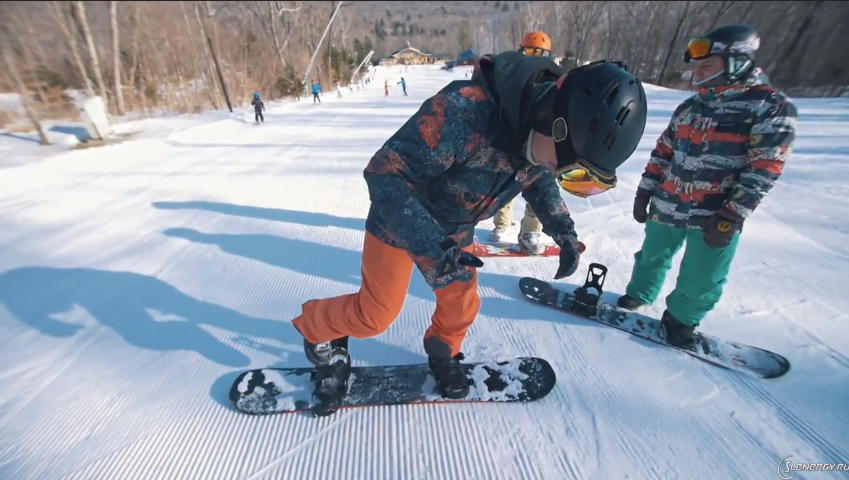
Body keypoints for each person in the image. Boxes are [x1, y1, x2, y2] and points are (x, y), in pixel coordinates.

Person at [291, 51, 647, 409]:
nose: (558, 172)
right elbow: (384, 172)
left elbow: (539, 181)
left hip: (456, 230)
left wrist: (563, 230)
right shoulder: (464, 113)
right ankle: (319, 331)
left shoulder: (542, 145)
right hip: (398, 222)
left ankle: (443, 355)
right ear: (551, 119)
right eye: (564, 166)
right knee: (374, 316)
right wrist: (432, 246)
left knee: (461, 305)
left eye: (575, 176)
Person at [616, 24, 797, 349]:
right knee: (651, 256)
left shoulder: (769, 107)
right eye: (697, 66)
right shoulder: (690, 107)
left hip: (714, 214)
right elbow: (664, 151)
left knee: (703, 276)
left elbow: (764, 168)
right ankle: (639, 294)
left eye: (707, 65)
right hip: (668, 203)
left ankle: (682, 320)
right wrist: (646, 189)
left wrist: (732, 215)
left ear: (737, 62)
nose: (699, 73)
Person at [489, 30, 555, 254]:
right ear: (521, 51)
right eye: (530, 51)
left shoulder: (552, 80)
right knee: (505, 183)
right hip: (509, 140)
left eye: (540, 53)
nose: (534, 57)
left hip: (537, 144)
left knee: (538, 183)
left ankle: (530, 231)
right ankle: (501, 225)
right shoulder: (509, 74)